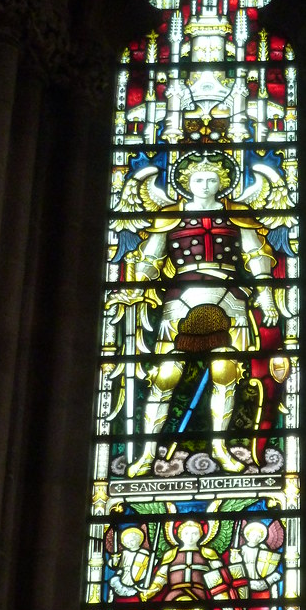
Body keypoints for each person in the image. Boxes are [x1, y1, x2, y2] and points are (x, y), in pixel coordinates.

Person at [110, 152, 283, 477]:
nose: (206, 185)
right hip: (182, 296)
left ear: (224, 183)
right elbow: (150, 257)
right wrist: (135, 286)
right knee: (165, 378)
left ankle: (220, 448)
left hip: (228, 295)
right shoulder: (170, 215)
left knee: (224, 374)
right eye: (198, 179)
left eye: (213, 179)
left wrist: (266, 294)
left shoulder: (237, 215)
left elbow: (256, 254)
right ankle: (147, 454)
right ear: (186, 183)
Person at [109, 527, 150, 596]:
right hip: (124, 578)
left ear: (138, 539)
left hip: (138, 581)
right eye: (127, 542)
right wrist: (115, 560)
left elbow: (149, 567)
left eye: (132, 541)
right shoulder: (124, 553)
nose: (130, 544)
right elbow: (117, 565)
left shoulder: (144, 553)